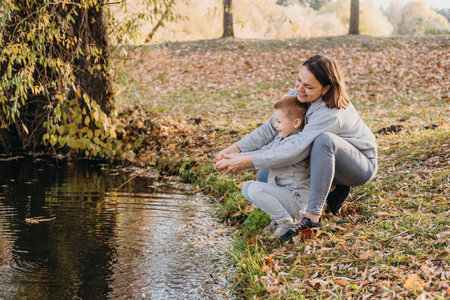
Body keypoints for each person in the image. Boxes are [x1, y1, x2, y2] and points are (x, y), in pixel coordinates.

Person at [214, 55, 377, 242]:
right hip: (322, 160)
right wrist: (235, 150)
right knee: (265, 176)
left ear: (326, 88)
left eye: (308, 86)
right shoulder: (297, 95)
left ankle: (312, 218)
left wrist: (247, 161)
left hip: (357, 166)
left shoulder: (331, 112)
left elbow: (295, 150)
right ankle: (329, 193)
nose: (300, 88)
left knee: (323, 141)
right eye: (299, 80)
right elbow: (269, 129)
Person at [238, 95, 310, 239]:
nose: (275, 125)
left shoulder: (295, 143)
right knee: (247, 187)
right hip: (285, 196)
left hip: (297, 202)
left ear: (296, 122)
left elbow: (272, 158)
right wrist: (232, 158)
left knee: (255, 189)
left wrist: (242, 162)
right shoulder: (281, 138)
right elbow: (263, 152)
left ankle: (286, 222)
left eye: (278, 121)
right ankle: (278, 219)